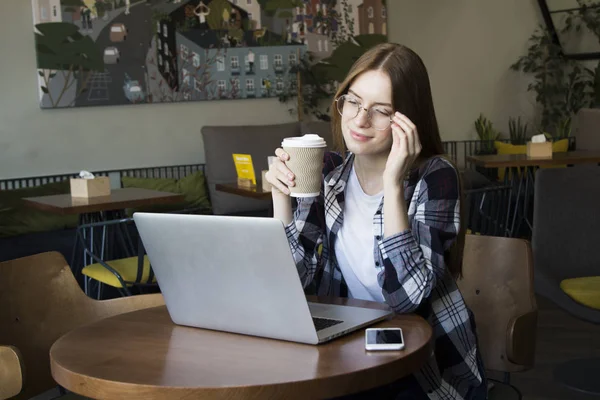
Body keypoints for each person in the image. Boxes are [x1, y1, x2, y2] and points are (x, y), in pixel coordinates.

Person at [265, 43, 488, 399]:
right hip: (350, 355)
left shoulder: (435, 176)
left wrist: (392, 184)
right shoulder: (329, 174)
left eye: (381, 111)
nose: (359, 119)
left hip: (425, 367)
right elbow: (293, 279)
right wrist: (281, 200)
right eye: (352, 101)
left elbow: (406, 299)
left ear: (407, 120)